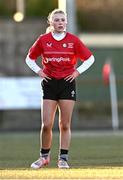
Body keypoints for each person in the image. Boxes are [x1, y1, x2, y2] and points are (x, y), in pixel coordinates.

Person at [25, 9, 95, 169]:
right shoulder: (43, 40)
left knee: (64, 124)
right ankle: (44, 157)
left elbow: (90, 58)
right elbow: (29, 58)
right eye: (57, 20)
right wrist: (39, 71)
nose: (60, 22)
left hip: (67, 84)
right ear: (51, 22)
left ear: (66, 22)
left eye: (63, 20)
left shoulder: (73, 40)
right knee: (46, 124)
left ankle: (63, 158)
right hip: (49, 84)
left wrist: (77, 72)